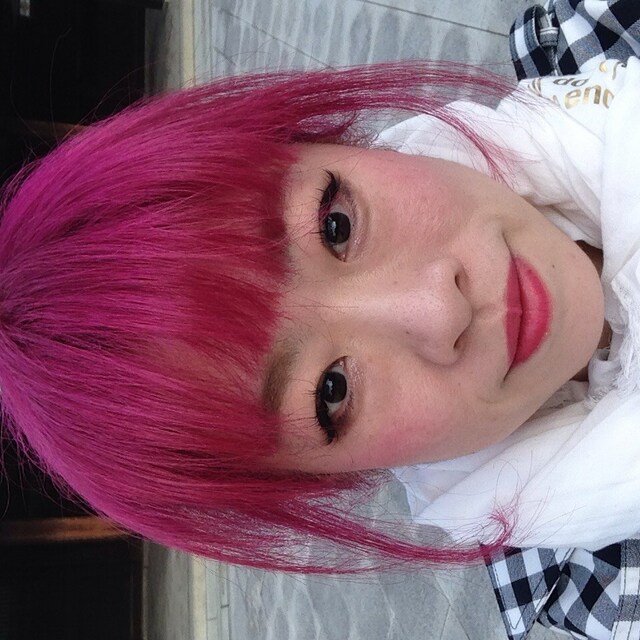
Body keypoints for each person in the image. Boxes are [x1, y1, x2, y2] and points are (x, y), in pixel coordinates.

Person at [0, 49, 639, 588]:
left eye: (335, 227)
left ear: (326, 140)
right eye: (329, 393)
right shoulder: (599, 590)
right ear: (327, 475)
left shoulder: (589, 42)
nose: (437, 310)